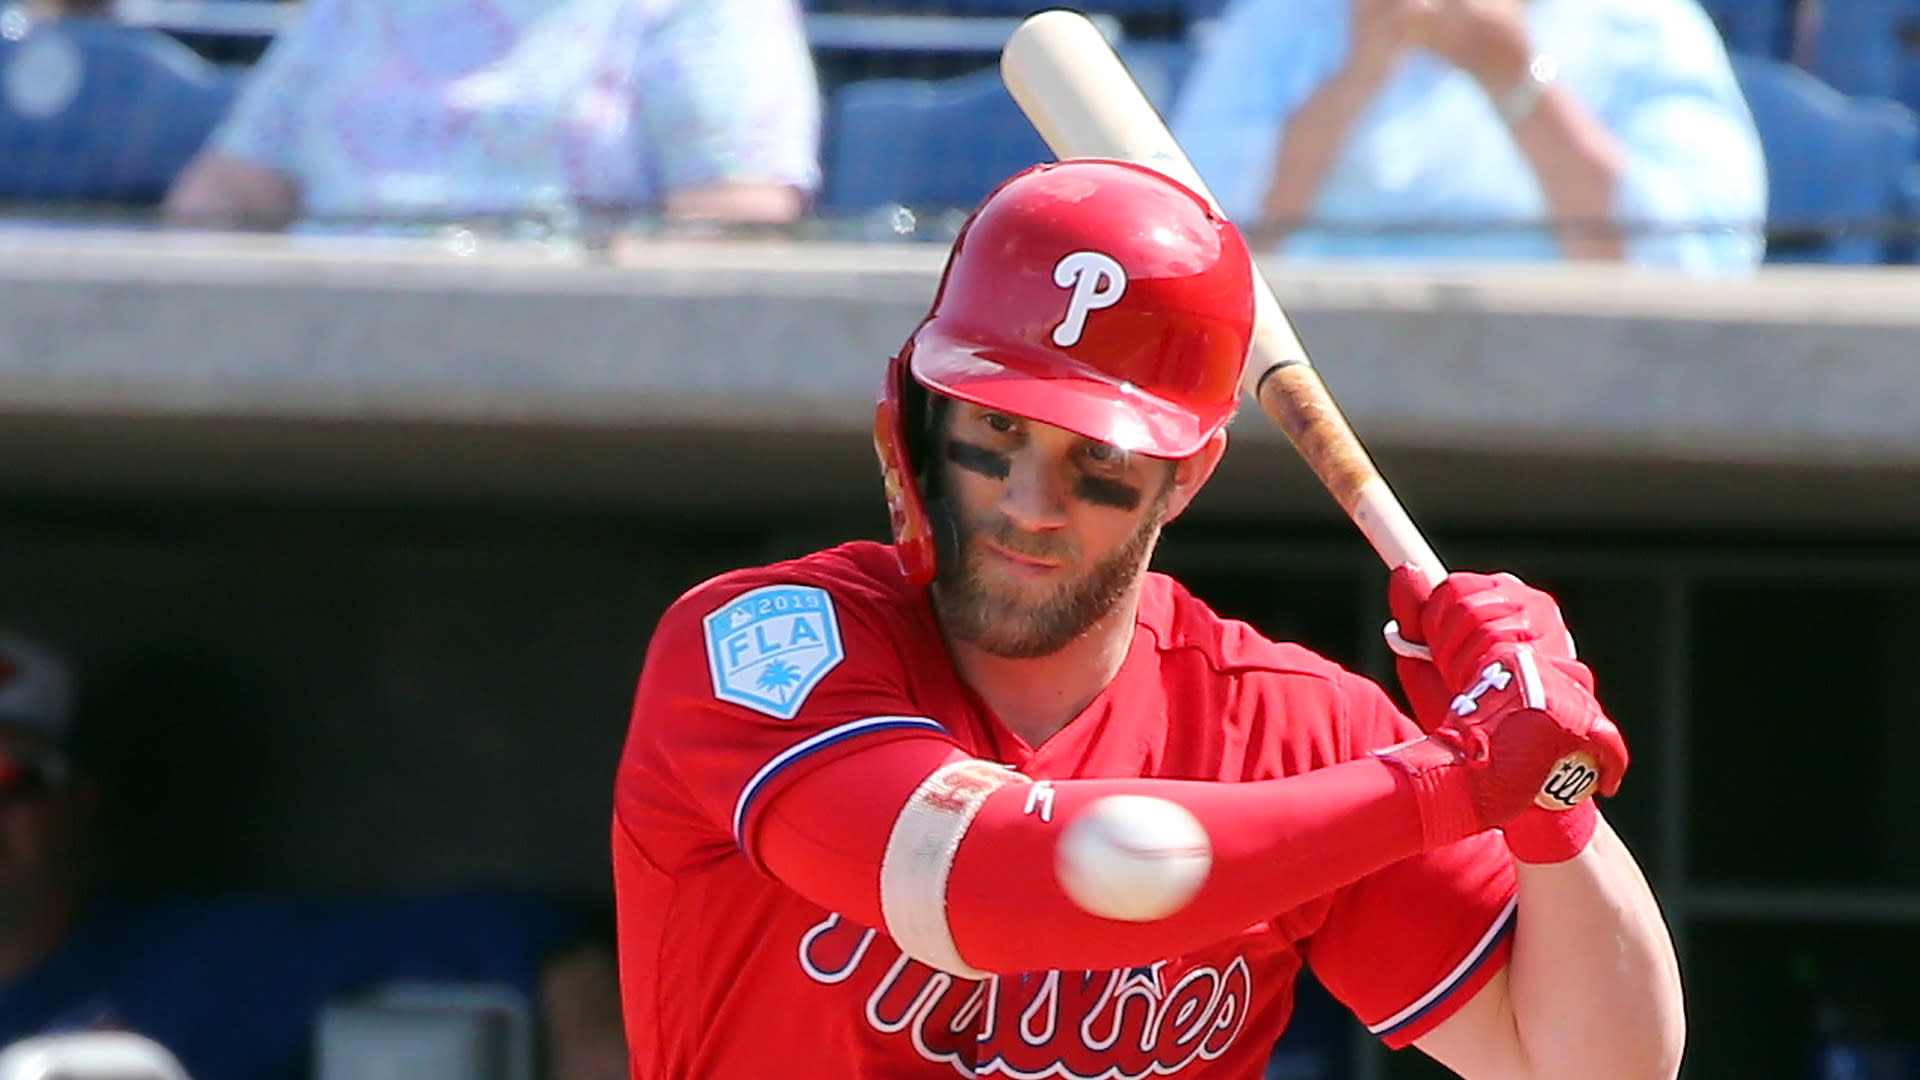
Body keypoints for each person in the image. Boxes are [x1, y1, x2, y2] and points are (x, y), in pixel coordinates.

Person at [611, 158, 1684, 1078]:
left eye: (1098, 460)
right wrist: (1451, 783)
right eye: (995, 430)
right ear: (923, 419)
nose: (1030, 506)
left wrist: (1548, 794)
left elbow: (1592, 1063)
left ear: (1186, 477)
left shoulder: (1284, 727)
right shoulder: (764, 647)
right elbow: (974, 882)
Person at [0, 629, 628, 1080]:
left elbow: (497, 929)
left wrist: (578, 993)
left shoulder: (192, 966)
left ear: (82, 800)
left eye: (10, 778)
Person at [1169, 0, 1766, 272]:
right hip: (1310, 389)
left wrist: (1515, 77)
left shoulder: (1650, 24)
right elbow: (1189, 251)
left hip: (1578, 399)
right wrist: (1359, 74)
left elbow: (1703, 263)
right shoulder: (1278, 19)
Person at [161, 0, 819, 234]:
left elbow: (739, 212)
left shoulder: (709, 9)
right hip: (311, 364)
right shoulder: (354, 7)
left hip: (557, 382)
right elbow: (224, 191)